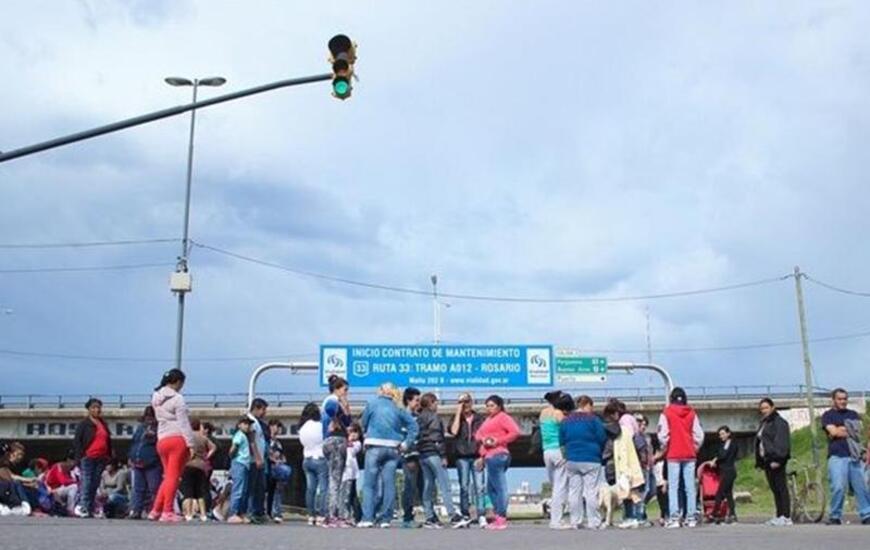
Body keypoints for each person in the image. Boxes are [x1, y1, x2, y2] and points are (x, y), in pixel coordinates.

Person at [358, 382, 419, 528]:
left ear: (381, 391)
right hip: (393, 448)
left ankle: (367, 518)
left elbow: (363, 422)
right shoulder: (398, 407)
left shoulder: (372, 404)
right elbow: (414, 426)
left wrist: (367, 433)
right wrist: (406, 444)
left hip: (374, 446)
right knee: (389, 484)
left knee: (369, 485)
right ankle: (386, 519)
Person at [150, 368, 196, 522]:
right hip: (177, 439)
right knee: (173, 477)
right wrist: (191, 444)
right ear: (178, 382)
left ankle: (156, 510)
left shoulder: (156, 397)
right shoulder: (178, 399)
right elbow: (184, 424)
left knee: (168, 476)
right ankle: (167, 511)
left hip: (162, 439)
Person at [416, 392, 467, 528]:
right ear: (431, 403)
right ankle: (453, 515)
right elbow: (437, 438)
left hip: (423, 455)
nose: (438, 405)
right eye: (436, 402)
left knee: (428, 486)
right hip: (434, 454)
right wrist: (443, 455)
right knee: (445, 485)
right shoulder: (434, 418)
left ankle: (430, 517)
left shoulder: (419, 418)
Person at [821, 388, 870, 525]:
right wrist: (845, 429)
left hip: (854, 456)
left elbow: (857, 430)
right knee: (838, 486)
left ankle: (867, 514)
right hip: (837, 456)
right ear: (834, 400)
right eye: (840, 399)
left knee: (861, 487)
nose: (843, 401)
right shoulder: (828, 415)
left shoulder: (853, 414)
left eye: (845, 399)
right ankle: (835, 515)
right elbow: (834, 432)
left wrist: (840, 429)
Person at [657, 387, 703, 528]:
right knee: (690, 487)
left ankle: (675, 518)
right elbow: (699, 435)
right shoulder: (692, 413)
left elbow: (662, 434)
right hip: (689, 453)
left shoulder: (667, 412)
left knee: (674, 487)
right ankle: (691, 517)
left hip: (674, 453)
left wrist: (665, 446)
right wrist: (694, 447)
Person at [560, 395, 607, 529]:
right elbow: (601, 437)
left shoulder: (566, 421)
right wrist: (598, 450)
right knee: (591, 491)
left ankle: (576, 521)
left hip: (572, 459)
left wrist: (566, 456)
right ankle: (594, 521)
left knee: (574, 492)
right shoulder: (593, 420)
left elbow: (561, 441)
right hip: (591, 459)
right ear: (587, 405)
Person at [475, 394, 520, 530]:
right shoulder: (488, 419)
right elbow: (478, 434)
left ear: (499, 406)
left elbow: (515, 432)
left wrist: (497, 441)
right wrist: (483, 440)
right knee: (491, 488)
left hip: (498, 455)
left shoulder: (503, 417)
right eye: (487, 406)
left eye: (492, 406)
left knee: (500, 487)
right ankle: (498, 516)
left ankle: (501, 517)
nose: (489, 408)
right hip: (489, 456)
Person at [448, 392, 487, 527]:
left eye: (467, 401)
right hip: (461, 457)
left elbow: (484, 439)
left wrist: (483, 456)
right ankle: (465, 514)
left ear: (472, 402)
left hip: (477, 456)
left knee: (480, 487)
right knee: (464, 486)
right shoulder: (456, 418)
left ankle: (481, 514)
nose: (465, 404)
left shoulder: (480, 418)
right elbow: (453, 431)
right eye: (462, 402)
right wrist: (458, 413)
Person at [72, 397, 113, 518]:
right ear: (89, 409)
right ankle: (83, 506)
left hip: (101, 458)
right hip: (88, 457)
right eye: (94, 407)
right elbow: (77, 442)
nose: (97, 409)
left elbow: (108, 440)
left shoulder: (103, 424)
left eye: (99, 407)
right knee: (87, 482)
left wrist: (109, 456)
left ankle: (90, 507)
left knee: (95, 483)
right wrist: (80, 457)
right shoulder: (84, 424)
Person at [539, 391, 574, 529]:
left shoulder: (543, 413)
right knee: (561, 487)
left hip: (546, 451)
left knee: (555, 487)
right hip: (559, 451)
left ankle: (554, 519)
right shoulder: (558, 413)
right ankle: (556, 521)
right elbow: (567, 429)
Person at [755, 397, 792, 526]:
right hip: (767, 460)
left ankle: (786, 516)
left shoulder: (779, 422)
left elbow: (782, 442)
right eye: (762, 409)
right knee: (775, 489)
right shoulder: (764, 422)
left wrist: (778, 459)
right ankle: (779, 515)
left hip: (776, 460)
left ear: (772, 407)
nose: (764, 410)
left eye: (766, 408)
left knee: (781, 488)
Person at [321, 375, 352, 528]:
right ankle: (332, 515)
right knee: (335, 480)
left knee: (336, 479)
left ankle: (332, 514)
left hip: (334, 441)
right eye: (345, 390)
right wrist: (334, 420)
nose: (346, 393)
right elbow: (330, 409)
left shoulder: (339, 401)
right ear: (337, 388)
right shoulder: (332, 399)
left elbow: (348, 422)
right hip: (335, 440)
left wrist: (346, 408)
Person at [128, 405, 161, 519]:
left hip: (152, 462)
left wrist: (154, 435)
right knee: (138, 488)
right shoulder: (140, 427)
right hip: (137, 461)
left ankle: (155, 510)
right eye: (147, 415)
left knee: (154, 488)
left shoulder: (159, 428)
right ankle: (136, 510)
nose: (149, 418)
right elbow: (134, 443)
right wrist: (131, 457)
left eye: (151, 416)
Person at [180, 418, 216, 522]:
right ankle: (203, 514)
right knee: (200, 491)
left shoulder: (186, 437)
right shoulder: (203, 437)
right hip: (201, 466)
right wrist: (206, 456)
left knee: (188, 491)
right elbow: (213, 447)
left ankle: (189, 514)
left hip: (188, 465)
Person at [299, 402, 328, 525]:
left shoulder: (302, 428)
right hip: (320, 458)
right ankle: (321, 514)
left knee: (310, 489)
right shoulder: (320, 426)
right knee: (323, 488)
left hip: (307, 459)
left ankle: (311, 516)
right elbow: (325, 441)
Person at [702, 425, 738, 524]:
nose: (721, 436)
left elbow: (723, 454)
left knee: (719, 493)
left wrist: (715, 459)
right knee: (728, 494)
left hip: (728, 471)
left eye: (723, 434)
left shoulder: (730, 443)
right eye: (719, 434)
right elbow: (719, 453)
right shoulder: (723, 444)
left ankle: (714, 514)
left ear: (728, 433)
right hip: (724, 471)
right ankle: (733, 514)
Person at [400, 387, 423, 528]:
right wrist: (406, 452)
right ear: (408, 400)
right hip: (409, 455)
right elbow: (403, 436)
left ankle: (421, 514)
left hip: (420, 454)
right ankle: (407, 517)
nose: (418, 403)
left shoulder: (418, 416)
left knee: (421, 485)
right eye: (416, 400)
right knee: (409, 485)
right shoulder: (403, 416)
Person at [246, 398, 270, 524]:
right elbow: (252, 441)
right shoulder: (251, 422)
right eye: (263, 410)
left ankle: (258, 512)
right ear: (256, 408)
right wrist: (257, 457)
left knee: (260, 487)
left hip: (258, 459)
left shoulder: (257, 422)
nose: (264, 413)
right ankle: (252, 512)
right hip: (253, 460)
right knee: (254, 487)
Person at [227, 416, 254, 524]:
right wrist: (233, 457)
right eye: (245, 423)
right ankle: (233, 513)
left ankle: (241, 513)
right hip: (239, 463)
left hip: (245, 464)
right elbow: (233, 449)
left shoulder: (245, 436)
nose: (248, 426)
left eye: (249, 424)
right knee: (238, 489)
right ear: (239, 425)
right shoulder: (239, 435)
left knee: (244, 490)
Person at [0, 441, 32, 516]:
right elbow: (10, 478)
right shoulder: (3, 466)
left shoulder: (7, 465)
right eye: (18, 454)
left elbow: (11, 477)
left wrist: (29, 482)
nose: (20, 457)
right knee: (15, 483)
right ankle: (20, 506)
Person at [267, 419, 290, 523]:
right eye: (277, 426)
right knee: (270, 491)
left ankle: (276, 512)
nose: (279, 429)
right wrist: (275, 459)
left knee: (277, 490)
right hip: (270, 467)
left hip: (278, 468)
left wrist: (282, 460)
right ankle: (271, 512)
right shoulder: (266, 439)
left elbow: (282, 455)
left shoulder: (278, 443)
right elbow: (266, 453)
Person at [340, 422, 363, 525]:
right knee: (346, 495)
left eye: (355, 432)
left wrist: (349, 440)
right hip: (344, 473)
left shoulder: (358, 444)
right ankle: (348, 515)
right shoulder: (343, 442)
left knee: (351, 495)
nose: (353, 434)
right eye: (350, 432)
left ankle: (355, 516)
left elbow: (352, 450)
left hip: (352, 473)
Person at [43, 451, 78, 516]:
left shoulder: (70, 471)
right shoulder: (58, 466)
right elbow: (63, 481)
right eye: (74, 461)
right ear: (69, 460)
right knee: (74, 487)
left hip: (60, 489)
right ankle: (70, 509)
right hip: (51, 490)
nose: (75, 464)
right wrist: (75, 481)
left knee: (77, 488)